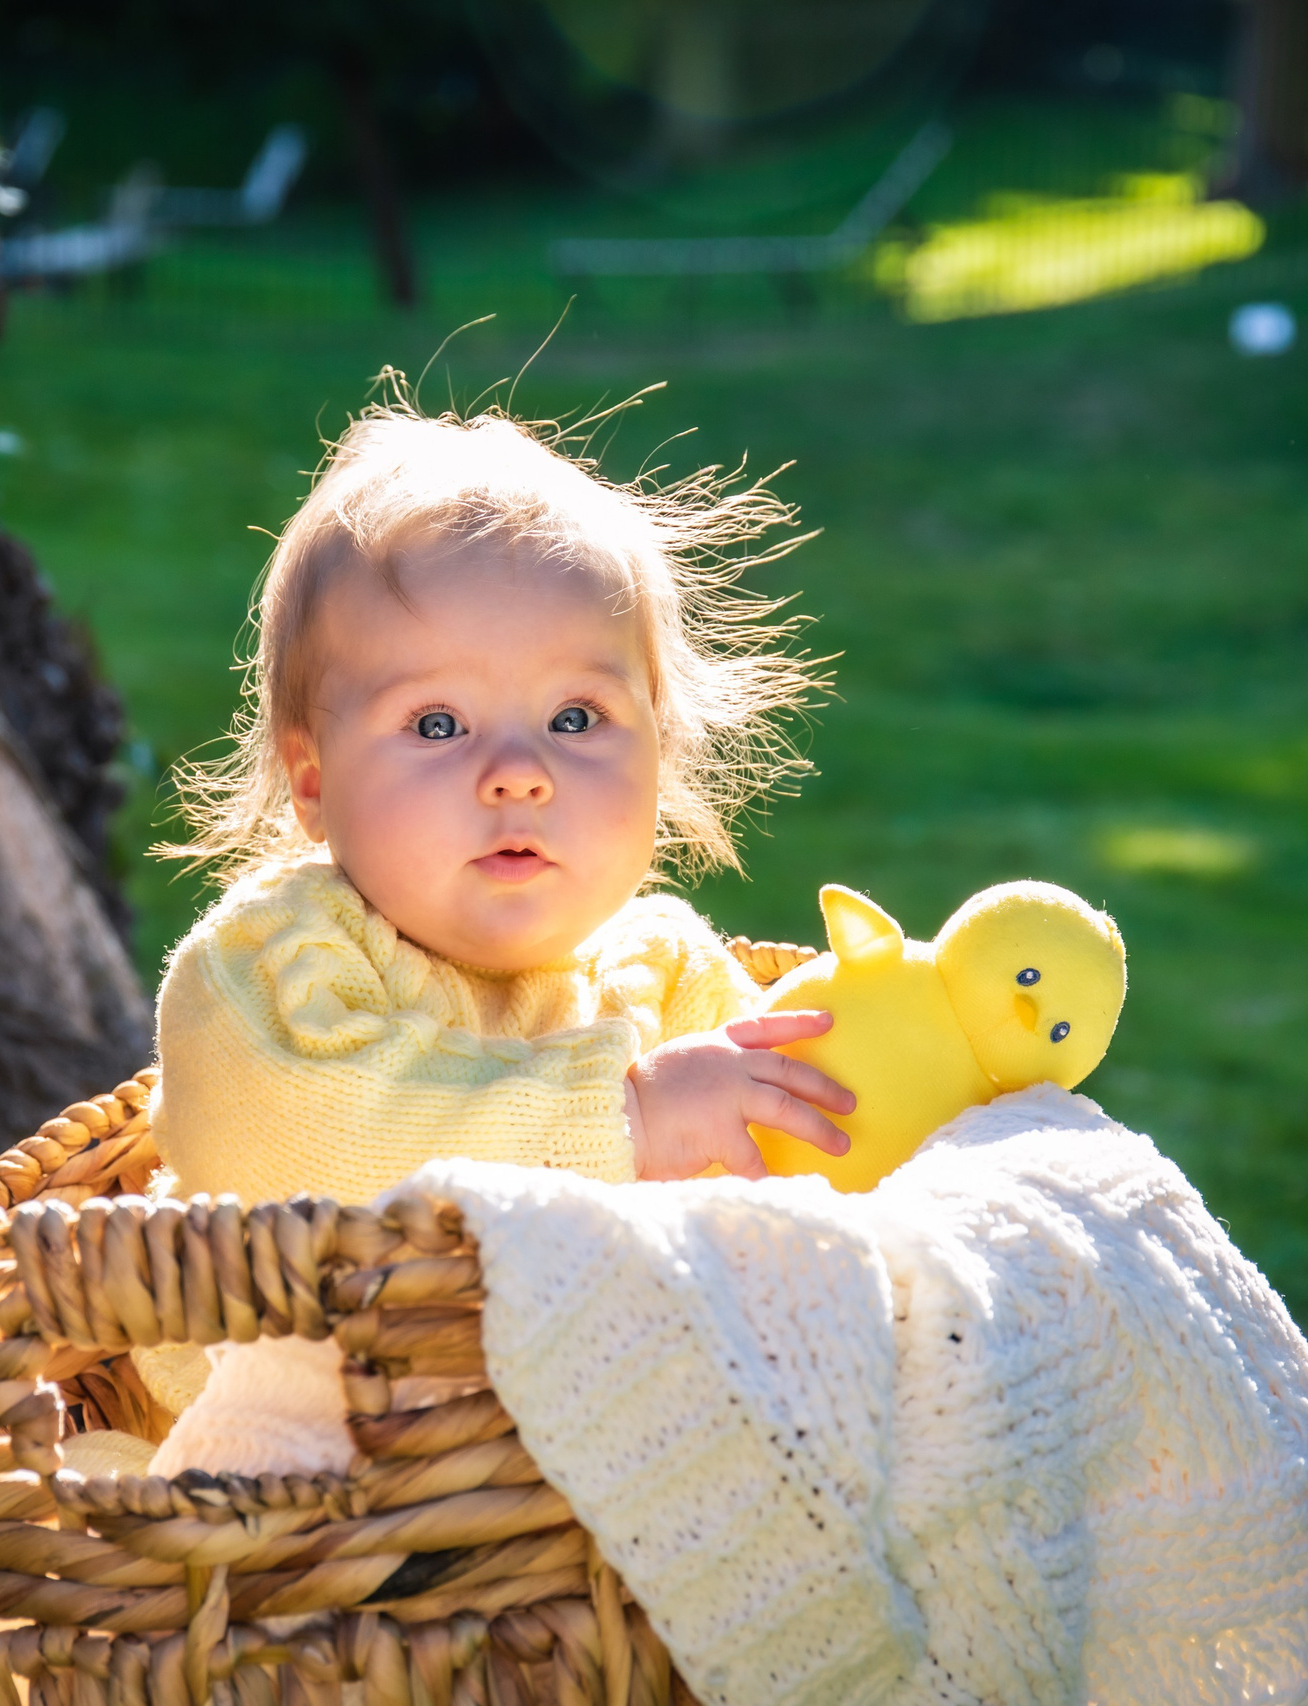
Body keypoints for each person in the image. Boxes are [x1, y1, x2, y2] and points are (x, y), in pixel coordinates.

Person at [98, 393, 852, 1479]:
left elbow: (797, 1167)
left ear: (662, 751)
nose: (518, 770)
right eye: (438, 724)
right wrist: (629, 1119)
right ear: (313, 782)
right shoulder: (270, 970)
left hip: (590, 1502)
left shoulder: (669, 978)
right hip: (302, 1505)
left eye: (577, 718)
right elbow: (318, 1146)